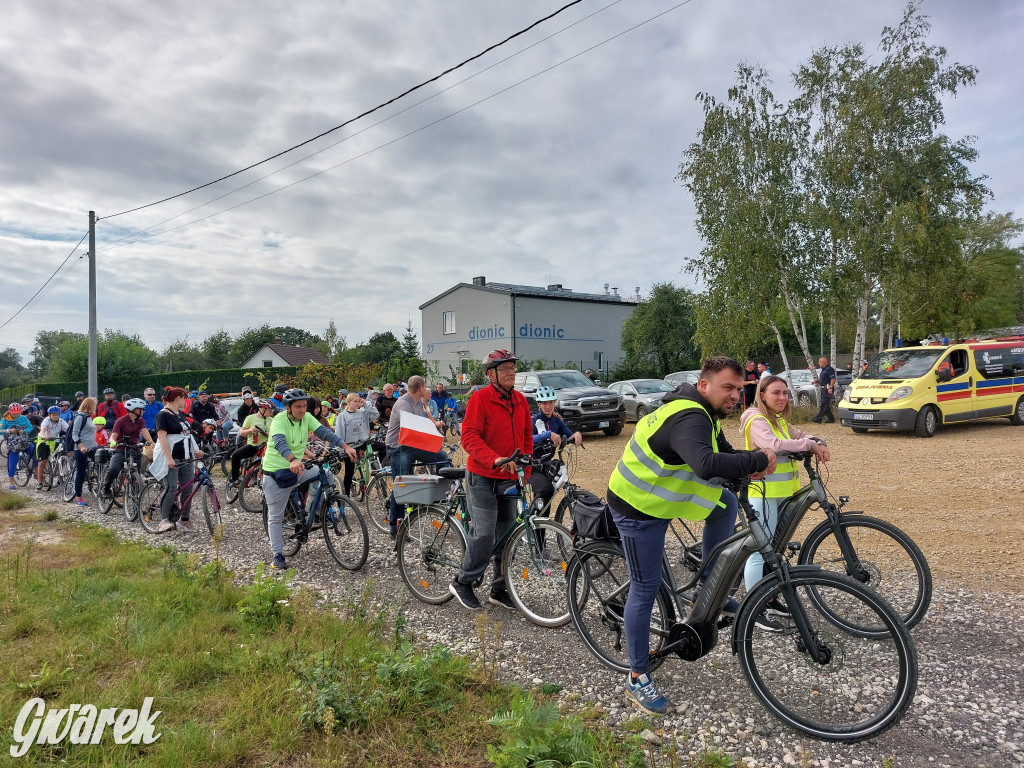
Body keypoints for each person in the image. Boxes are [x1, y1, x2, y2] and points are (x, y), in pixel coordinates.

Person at [605, 356, 775, 715]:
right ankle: (637, 677)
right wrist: (757, 461)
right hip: (637, 507)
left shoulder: (706, 414)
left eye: (738, 388)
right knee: (645, 586)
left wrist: (755, 459)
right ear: (704, 385)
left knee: (725, 504)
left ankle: (706, 589)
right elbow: (706, 464)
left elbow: (724, 455)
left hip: (663, 494)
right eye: (727, 387)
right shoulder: (690, 416)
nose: (733, 395)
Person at [739, 375, 829, 629]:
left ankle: (768, 598)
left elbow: (799, 434)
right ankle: (753, 608)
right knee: (760, 552)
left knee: (774, 550)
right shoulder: (756, 419)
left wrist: (818, 442)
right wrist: (809, 444)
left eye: (785, 393)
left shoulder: (777, 419)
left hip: (779, 493)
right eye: (776, 393)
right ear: (763, 395)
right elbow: (774, 444)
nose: (782, 398)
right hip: (763, 492)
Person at [450, 350, 533, 611]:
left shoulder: (520, 400)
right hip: (483, 476)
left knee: (506, 534)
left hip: (509, 478)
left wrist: (526, 469)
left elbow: (526, 436)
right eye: (505, 368)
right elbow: (469, 438)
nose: (511, 372)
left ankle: (499, 588)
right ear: (491, 374)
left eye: (512, 368)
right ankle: (463, 581)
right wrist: (494, 458)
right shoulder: (479, 399)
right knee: (484, 532)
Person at [262, 388, 357, 569]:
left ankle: (323, 509)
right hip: (276, 473)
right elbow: (280, 442)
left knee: (327, 474)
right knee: (275, 517)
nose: (302, 410)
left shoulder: (306, 418)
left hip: (298, 468)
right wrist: (292, 459)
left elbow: (324, 432)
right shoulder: (279, 420)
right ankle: (278, 555)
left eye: (305, 406)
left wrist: (345, 447)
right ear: (288, 408)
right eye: (298, 407)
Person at [384, 376, 449, 536]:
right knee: (401, 484)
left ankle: (440, 494)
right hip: (399, 447)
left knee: (443, 458)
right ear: (420, 388)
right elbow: (412, 428)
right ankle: (395, 526)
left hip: (414, 445)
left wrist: (435, 439)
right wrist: (430, 441)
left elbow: (423, 425)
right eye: (425, 386)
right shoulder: (403, 404)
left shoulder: (419, 402)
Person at [149, 387, 204, 532]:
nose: (186, 402)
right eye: (184, 398)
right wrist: (169, 458)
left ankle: (184, 520)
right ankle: (163, 520)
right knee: (171, 487)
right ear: (179, 398)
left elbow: (187, 434)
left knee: (188, 487)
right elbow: (161, 438)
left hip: (185, 456)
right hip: (171, 456)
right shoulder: (163, 415)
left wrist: (196, 450)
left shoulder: (180, 414)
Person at [529, 386, 582, 512]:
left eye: (551, 402)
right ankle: (531, 520)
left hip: (545, 463)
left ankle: (541, 524)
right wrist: (548, 434)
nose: (548, 406)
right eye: (544, 403)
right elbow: (527, 440)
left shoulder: (556, 421)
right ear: (539, 404)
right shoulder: (533, 420)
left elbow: (568, 435)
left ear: (555, 402)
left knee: (548, 495)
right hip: (531, 465)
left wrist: (576, 434)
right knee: (546, 490)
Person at [100, 398, 153, 500]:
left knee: (137, 473)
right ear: (135, 410)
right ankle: (106, 489)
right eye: (142, 409)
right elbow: (113, 436)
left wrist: (151, 443)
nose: (143, 411)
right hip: (120, 448)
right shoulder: (120, 421)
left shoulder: (140, 420)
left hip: (134, 448)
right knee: (114, 469)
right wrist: (113, 442)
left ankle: (135, 497)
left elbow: (145, 432)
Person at [335, 392, 385, 497]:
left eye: (359, 401)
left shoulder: (363, 412)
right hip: (351, 445)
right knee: (349, 472)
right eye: (355, 401)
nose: (357, 403)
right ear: (348, 402)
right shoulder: (342, 416)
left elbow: (376, 414)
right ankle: (346, 497)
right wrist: (343, 448)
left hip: (364, 441)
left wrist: (366, 404)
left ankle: (376, 466)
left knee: (383, 447)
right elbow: (339, 434)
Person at [229, 398, 275, 489]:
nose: (271, 412)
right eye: (269, 410)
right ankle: (234, 479)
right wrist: (251, 430)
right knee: (235, 456)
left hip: (266, 446)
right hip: (253, 445)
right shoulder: (250, 418)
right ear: (262, 409)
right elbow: (242, 433)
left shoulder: (271, 420)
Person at [70, 397, 99, 506]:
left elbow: (90, 434)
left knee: (101, 462)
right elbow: (74, 434)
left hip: (92, 447)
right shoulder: (80, 417)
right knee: (80, 472)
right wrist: (81, 446)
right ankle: (78, 497)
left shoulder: (89, 417)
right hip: (81, 449)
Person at [2, 403, 36, 491]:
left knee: (35, 455)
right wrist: (9, 430)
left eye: (18, 413)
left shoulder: (24, 418)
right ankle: (11, 482)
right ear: (10, 412)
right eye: (14, 414)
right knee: (12, 463)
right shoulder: (5, 419)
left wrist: (23, 431)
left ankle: (38, 474)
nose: (16, 415)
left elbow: (30, 427)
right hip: (13, 444)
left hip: (24, 441)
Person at [34, 406, 67, 489]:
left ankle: (59, 476)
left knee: (61, 455)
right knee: (42, 462)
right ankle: (39, 482)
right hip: (43, 441)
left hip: (55, 440)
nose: (56, 416)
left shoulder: (61, 421)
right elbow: (43, 429)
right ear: (49, 415)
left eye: (57, 415)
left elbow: (67, 429)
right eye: (54, 415)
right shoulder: (46, 421)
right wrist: (44, 435)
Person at [810, 356, 837, 424]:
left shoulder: (829, 369)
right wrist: (817, 381)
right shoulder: (823, 370)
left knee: (824, 403)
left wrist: (830, 388)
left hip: (827, 388)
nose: (819, 363)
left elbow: (833, 379)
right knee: (826, 404)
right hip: (823, 388)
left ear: (823, 362)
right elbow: (824, 379)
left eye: (819, 362)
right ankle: (831, 418)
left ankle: (818, 418)